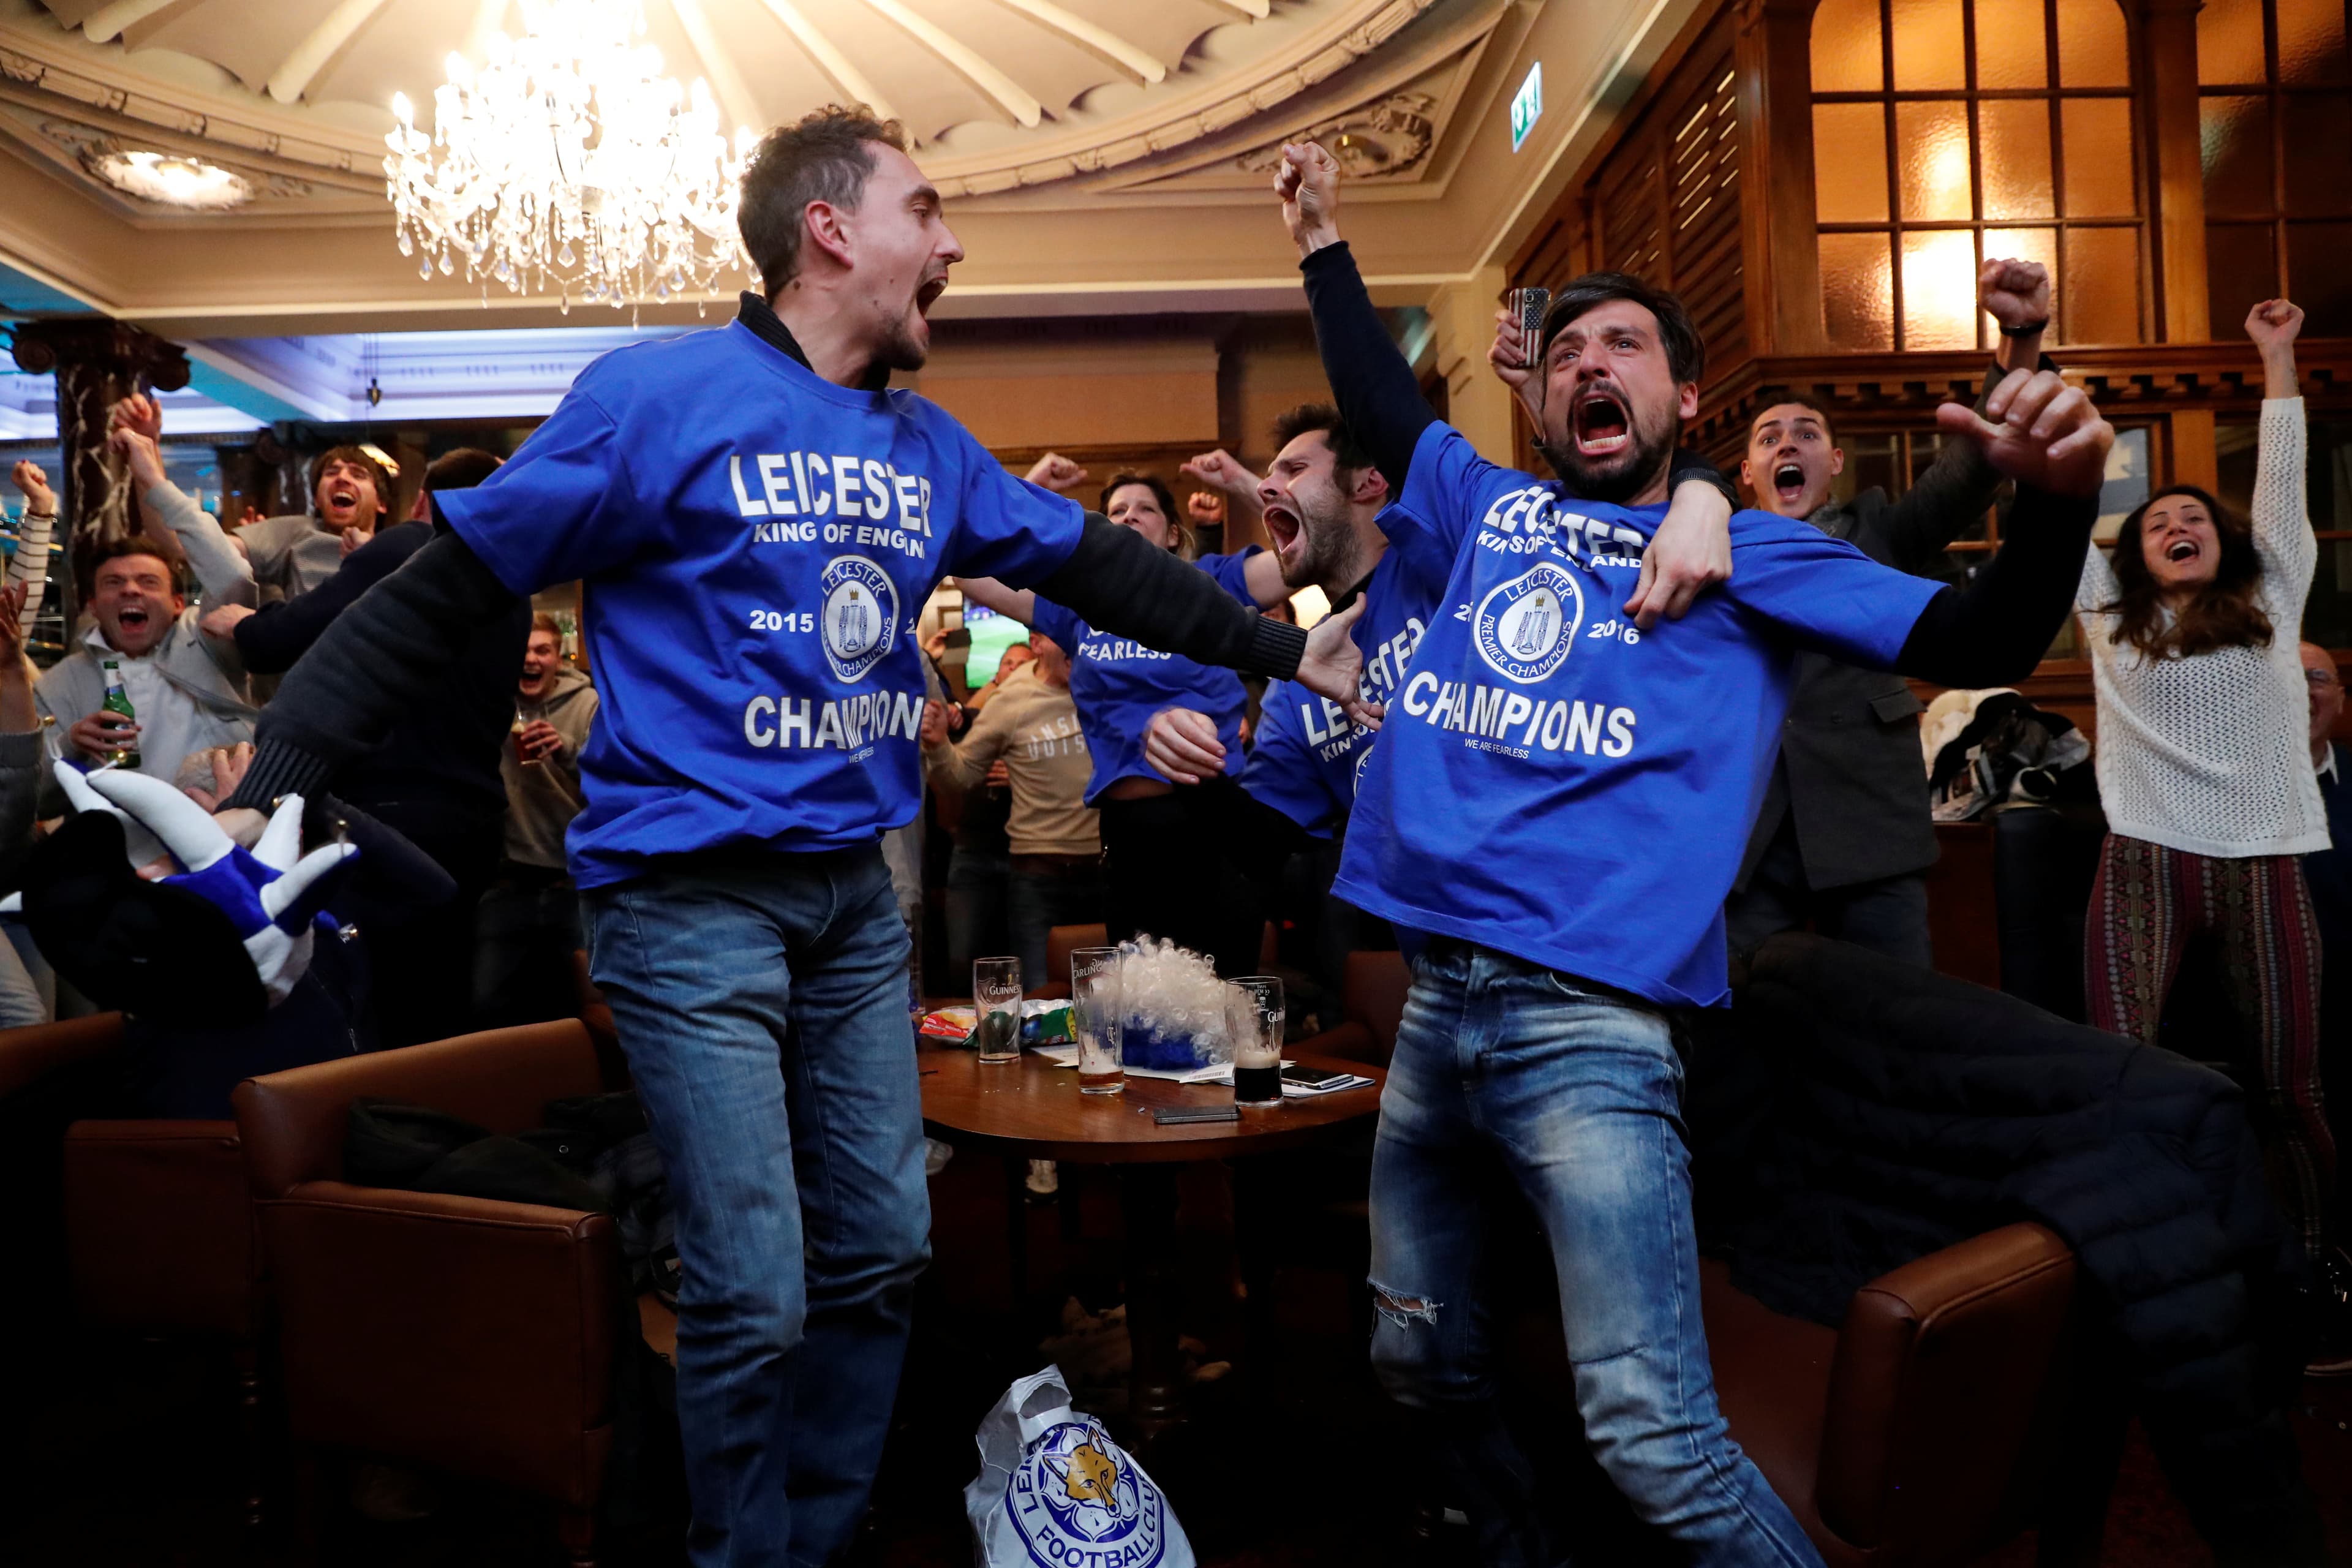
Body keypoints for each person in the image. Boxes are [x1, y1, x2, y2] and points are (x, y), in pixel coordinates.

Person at [210, 106, 1365, 1567]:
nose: (950, 243)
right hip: (685, 900)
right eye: (925, 209)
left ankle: (800, 1540)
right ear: (829, 229)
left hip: (849, 900)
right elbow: (441, 588)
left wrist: (1276, 647)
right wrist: (284, 774)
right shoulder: (656, 398)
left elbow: (1104, 566)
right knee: (752, 1281)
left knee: (886, 1246)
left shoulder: (926, 445)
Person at [1272, 137, 2113, 1564]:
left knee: (1651, 1434)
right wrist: (1317, 238)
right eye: (1568, 351)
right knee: (1414, 1360)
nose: (1590, 362)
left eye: (1625, 345)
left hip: (1586, 1030)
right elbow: (1367, 392)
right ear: (1536, 397)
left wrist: (2050, 504)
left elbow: (1977, 638)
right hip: (1432, 1014)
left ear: (1681, 396)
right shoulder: (1486, 505)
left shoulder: (1752, 556)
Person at [1499, 260, 2056, 967]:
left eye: (1806, 433)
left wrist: (2020, 335)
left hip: (1867, 822)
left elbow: (1973, 465)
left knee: (1893, 1024)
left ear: (1836, 461)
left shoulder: (1880, 531)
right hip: (1742, 840)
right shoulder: (1702, 541)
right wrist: (1533, 393)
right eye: (1769, 437)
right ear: (1746, 475)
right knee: (1749, 1028)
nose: (1787, 443)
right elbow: (1603, 488)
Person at [2079, 299, 2345, 1368]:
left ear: (2220, 541)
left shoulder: (2273, 595)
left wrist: (2277, 357)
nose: (2175, 523)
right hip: (2144, 852)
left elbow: (2282, 485)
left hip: (2266, 852)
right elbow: (2058, 499)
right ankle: (2125, 1276)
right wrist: (2033, 362)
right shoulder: (2107, 614)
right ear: (2137, 553)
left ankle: (2323, 1266)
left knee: (2290, 1084)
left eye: (2191, 515)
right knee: (2115, 1068)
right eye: (2155, 520)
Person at [195, 447, 522, 1048]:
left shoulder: (406, 546)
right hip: (473, 820)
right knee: (441, 1003)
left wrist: (244, 622)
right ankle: (441, 1127)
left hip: (386, 816)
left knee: (372, 1003)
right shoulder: (512, 585)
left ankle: (373, 1129)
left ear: (418, 502)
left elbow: (287, 640)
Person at [34, 426, 256, 790]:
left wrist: (154, 481)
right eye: (113, 583)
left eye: (149, 582)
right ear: (92, 605)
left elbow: (232, 575)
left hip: (219, 830)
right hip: (114, 842)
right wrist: (68, 745)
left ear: (177, 604)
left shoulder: (210, 644)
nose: (130, 591)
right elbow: (31, 798)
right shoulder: (59, 684)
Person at [922, 631, 1098, 986]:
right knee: (1039, 1003)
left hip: (1103, 874)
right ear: (1038, 644)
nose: (1078, 650)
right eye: (1067, 638)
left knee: (1109, 1003)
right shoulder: (1011, 702)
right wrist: (939, 744)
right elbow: (960, 776)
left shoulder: (1104, 687)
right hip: (1039, 879)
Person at [475, 612, 600, 1028]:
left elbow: (617, 782)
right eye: (523, 650)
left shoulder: (588, 704)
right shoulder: (489, 701)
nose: (532, 659)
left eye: (542, 650)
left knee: (584, 1005)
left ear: (559, 658)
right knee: (486, 1003)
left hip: (573, 879)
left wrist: (568, 752)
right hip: (506, 878)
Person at [238, 445, 393, 600]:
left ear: (381, 503)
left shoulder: (396, 555)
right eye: (331, 473)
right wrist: (252, 557)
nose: (342, 478)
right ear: (317, 500)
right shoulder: (298, 532)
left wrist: (371, 560)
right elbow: (228, 550)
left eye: (358, 475)